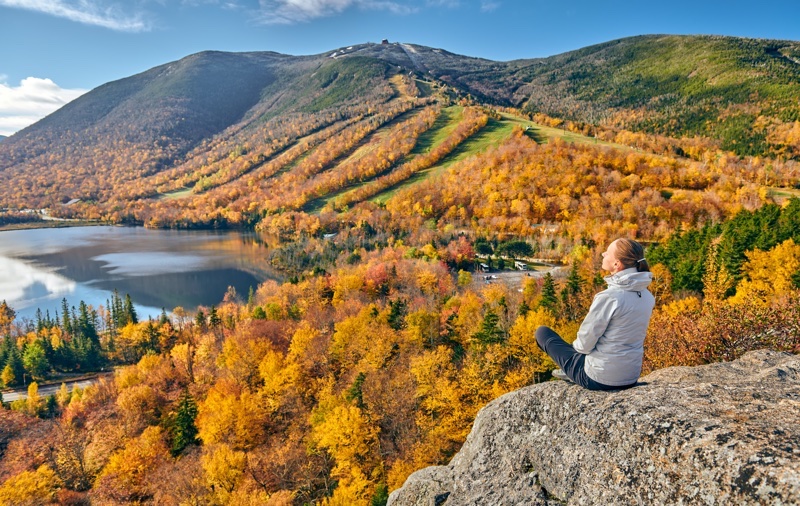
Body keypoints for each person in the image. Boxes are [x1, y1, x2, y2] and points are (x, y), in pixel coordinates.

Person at [535, 238, 655, 390]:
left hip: (599, 378)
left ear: (616, 264)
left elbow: (584, 345)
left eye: (608, 252)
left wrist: (574, 357)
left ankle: (570, 371)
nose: (604, 253)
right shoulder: (647, 297)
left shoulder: (610, 297)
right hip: (630, 376)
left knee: (542, 332)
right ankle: (574, 368)